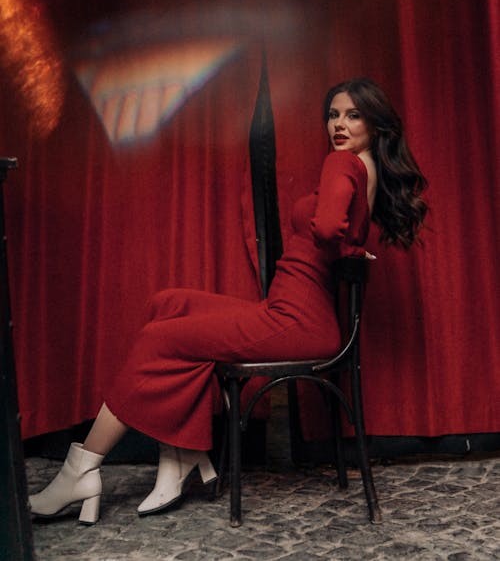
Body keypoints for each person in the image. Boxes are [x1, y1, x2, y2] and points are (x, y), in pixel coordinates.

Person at [29, 77, 427, 524]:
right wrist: (354, 251)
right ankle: (183, 453)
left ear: (375, 123)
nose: (339, 124)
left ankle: (81, 467)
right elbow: (343, 234)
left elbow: (330, 228)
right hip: (286, 310)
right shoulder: (365, 166)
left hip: (297, 320)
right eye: (333, 114)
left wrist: (349, 249)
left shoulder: (343, 164)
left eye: (353, 115)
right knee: (170, 303)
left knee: (162, 339)